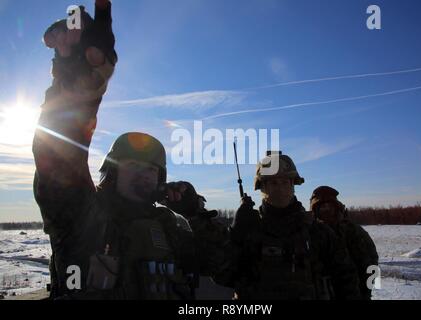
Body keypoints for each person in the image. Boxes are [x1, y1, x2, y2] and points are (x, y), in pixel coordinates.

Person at [33, 1, 226, 300]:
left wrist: (196, 215)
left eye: (151, 169)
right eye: (134, 166)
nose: (145, 176)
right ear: (112, 171)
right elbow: (58, 154)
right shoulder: (80, 215)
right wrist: (75, 91)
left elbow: (224, 266)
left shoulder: (169, 227)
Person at [214, 151, 361, 300]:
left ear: (293, 185)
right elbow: (221, 276)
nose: (280, 188)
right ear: (263, 188)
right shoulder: (248, 231)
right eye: (273, 183)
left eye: (285, 182)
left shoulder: (316, 231)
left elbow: (346, 279)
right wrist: (235, 235)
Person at [310, 186, 379, 300]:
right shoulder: (309, 233)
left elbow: (371, 263)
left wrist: (365, 292)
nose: (327, 210)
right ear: (315, 210)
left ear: (336, 207)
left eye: (330, 206)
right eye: (323, 207)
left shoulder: (353, 231)